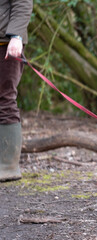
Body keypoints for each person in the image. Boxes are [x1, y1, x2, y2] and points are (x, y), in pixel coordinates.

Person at [0, 0, 33, 181]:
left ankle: (7, 166)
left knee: (5, 98)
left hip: (6, 42)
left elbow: (23, 3)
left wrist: (16, 36)